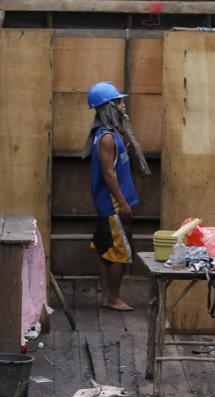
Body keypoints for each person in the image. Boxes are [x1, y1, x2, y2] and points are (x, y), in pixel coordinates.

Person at [83, 81, 139, 311]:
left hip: (111, 204)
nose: (123, 105)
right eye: (118, 102)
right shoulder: (106, 138)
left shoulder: (109, 134)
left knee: (105, 248)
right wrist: (124, 203)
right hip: (114, 205)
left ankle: (106, 296)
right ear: (107, 107)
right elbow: (108, 174)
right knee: (119, 253)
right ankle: (113, 297)